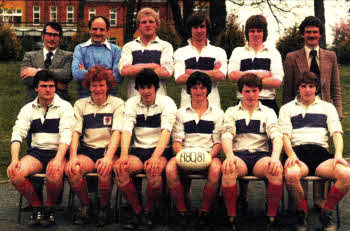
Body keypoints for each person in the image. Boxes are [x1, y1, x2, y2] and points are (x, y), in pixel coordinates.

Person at [280, 72, 350, 231]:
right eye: (303, 86)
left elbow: (337, 133)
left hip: (320, 154)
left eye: (311, 86)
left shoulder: (328, 107)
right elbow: (284, 136)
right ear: (298, 88)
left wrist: (338, 155)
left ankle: (327, 212)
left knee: (346, 175)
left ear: (316, 88)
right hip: (298, 153)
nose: (307, 90)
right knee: (291, 175)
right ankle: (301, 213)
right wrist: (291, 155)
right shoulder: (287, 108)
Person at [7, 70, 74, 226]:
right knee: (14, 173)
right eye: (44, 86)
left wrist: (58, 159)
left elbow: (66, 135)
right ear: (36, 88)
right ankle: (37, 206)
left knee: (54, 173)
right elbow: (17, 133)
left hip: (58, 152)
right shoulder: (28, 108)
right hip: (36, 153)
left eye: (51, 86)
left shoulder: (65, 107)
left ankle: (50, 208)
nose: (48, 89)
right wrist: (14, 160)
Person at [114, 68, 177, 230]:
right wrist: (123, 155)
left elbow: (166, 132)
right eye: (142, 87)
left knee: (154, 171)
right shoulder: (131, 103)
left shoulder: (167, 102)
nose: (146, 91)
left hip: (160, 150)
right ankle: (137, 211)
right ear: (138, 89)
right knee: (120, 169)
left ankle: (149, 211)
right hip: (138, 150)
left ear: (156, 87)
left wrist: (156, 156)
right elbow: (126, 130)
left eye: (149, 87)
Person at [221, 73, 283, 231]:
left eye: (254, 91)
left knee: (275, 170)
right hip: (239, 155)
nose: (251, 95)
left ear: (260, 91)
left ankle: (271, 217)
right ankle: (232, 217)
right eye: (247, 91)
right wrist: (229, 156)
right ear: (241, 92)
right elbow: (227, 136)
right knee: (228, 169)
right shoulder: (231, 111)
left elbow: (276, 136)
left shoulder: (268, 112)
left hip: (260, 156)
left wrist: (275, 158)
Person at [65, 66, 124, 227]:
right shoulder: (80, 104)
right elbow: (75, 133)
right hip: (88, 151)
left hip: (108, 150)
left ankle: (104, 207)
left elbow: (117, 133)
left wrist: (108, 158)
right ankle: (86, 205)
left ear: (108, 86)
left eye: (101, 85)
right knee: (73, 170)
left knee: (104, 170)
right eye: (94, 85)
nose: (97, 89)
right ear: (89, 86)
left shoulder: (117, 104)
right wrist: (73, 157)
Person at [166, 71, 224, 231]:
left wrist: (207, 157)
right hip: (185, 153)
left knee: (216, 170)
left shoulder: (218, 113)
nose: (199, 91)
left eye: (202, 88)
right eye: (195, 88)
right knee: (170, 169)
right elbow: (176, 141)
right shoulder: (180, 113)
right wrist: (184, 156)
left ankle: (204, 212)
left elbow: (218, 142)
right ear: (189, 90)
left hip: (209, 154)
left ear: (207, 90)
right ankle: (182, 212)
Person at [283, 16, 342, 118]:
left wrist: (338, 114)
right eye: (308, 32)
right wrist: (285, 116)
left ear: (320, 34)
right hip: (300, 112)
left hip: (326, 111)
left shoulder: (331, 56)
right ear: (303, 34)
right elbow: (287, 92)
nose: (311, 35)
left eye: (315, 32)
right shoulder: (291, 58)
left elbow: (335, 88)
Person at [228, 15, 283, 115]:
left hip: (268, 103)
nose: (255, 34)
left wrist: (245, 77)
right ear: (247, 33)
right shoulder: (238, 52)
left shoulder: (273, 53)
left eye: (259, 31)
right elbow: (232, 75)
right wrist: (262, 75)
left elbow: (277, 81)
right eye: (252, 31)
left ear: (264, 33)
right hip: (243, 102)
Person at [174, 12, 227, 108]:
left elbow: (221, 75)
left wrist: (192, 72)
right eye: (195, 27)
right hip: (187, 106)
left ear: (207, 28)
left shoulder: (219, 52)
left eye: (202, 26)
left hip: (213, 106)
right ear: (190, 29)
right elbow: (179, 78)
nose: (199, 30)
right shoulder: (180, 52)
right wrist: (212, 72)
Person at [118, 7, 174, 98]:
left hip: (159, 100)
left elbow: (166, 72)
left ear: (157, 25)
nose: (148, 25)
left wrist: (135, 68)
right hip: (134, 100)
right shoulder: (129, 46)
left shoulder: (166, 46)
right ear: (139, 26)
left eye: (151, 22)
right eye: (143, 22)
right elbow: (124, 71)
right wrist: (153, 66)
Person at [21, 22, 72, 103]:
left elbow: (66, 75)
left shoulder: (68, 56)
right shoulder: (29, 56)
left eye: (55, 35)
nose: (52, 38)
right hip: (33, 102)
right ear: (43, 36)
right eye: (49, 34)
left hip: (60, 103)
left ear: (60, 38)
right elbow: (27, 79)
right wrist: (58, 85)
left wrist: (38, 71)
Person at [72, 15, 122, 98]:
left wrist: (88, 72)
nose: (98, 33)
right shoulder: (80, 49)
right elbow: (76, 74)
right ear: (89, 30)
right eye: (94, 29)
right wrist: (107, 73)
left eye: (102, 29)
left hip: (110, 98)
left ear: (107, 30)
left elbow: (117, 77)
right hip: (85, 99)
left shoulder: (116, 50)